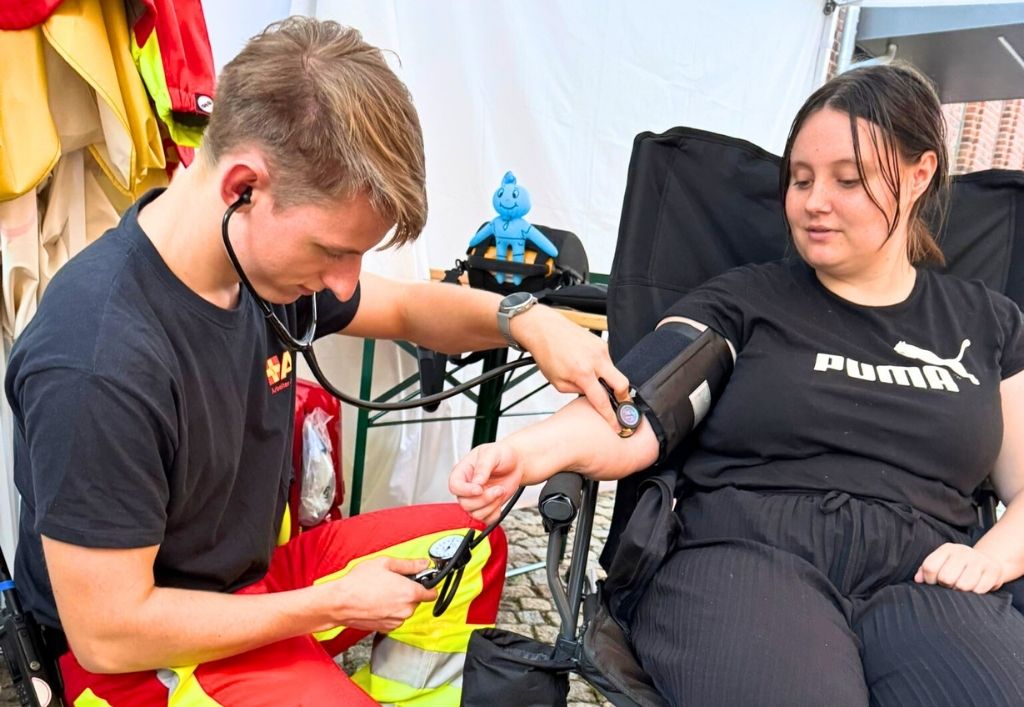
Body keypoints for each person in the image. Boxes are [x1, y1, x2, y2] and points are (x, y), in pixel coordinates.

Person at [6, 17, 630, 706]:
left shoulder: (257, 268)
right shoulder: (98, 356)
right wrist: (324, 603)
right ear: (243, 186)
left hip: (253, 581)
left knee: (468, 550)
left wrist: (527, 321)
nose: (343, 283)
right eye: (334, 251)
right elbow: (109, 632)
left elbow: (404, 310)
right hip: (133, 659)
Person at [450, 62, 1024, 706]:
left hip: (931, 580)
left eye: (848, 180)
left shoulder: (988, 323)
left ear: (919, 175)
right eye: (800, 179)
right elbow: (637, 405)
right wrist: (528, 453)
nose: (814, 202)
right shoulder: (744, 301)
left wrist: (995, 558)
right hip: (745, 561)